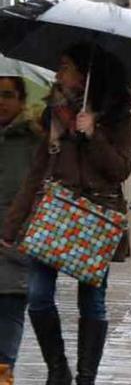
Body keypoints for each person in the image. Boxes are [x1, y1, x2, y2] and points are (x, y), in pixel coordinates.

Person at [2, 44, 131, 384]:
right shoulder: (54, 114)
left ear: (86, 75)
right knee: (39, 297)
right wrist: (11, 225)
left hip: (96, 218)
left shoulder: (116, 116)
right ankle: (57, 369)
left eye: (65, 67)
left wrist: (93, 134)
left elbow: (120, 169)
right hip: (54, 216)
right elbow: (36, 173)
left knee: (92, 301)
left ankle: (86, 375)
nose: (59, 74)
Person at [0, 76, 42, 383]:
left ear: (21, 100)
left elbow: (39, 193)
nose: (1, 101)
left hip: (14, 244)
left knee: (10, 310)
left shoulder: (34, 141)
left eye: (8, 94)